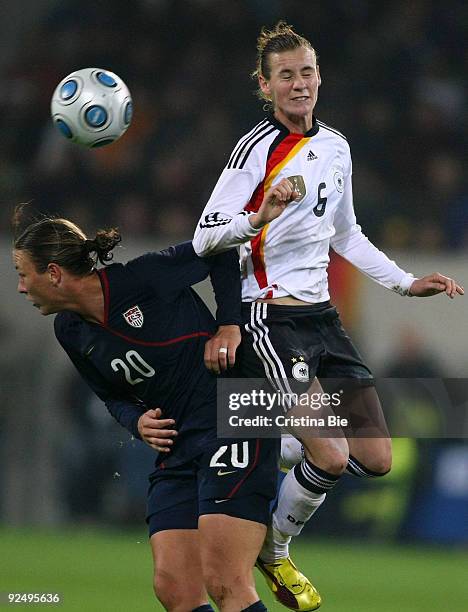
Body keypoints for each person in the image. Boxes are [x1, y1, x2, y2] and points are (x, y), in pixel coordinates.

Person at [193, 21, 464, 611]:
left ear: (320, 77)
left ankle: (259, 434)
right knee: (333, 454)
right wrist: (259, 215)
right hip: (272, 318)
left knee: (378, 458)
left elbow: (348, 233)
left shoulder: (336, 146)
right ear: (264, 86)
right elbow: (204, 237)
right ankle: (276, 550)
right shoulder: (253, 151)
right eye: (285, 75)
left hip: (323, 321)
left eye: (307, 72)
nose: (299, 84)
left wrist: (404, 283)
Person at [12, 205, 279, 612]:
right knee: (174, 588)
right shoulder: (69, 330)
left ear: (53, 274)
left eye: (22, 273)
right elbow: (111, 395)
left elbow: (221, 249)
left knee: (226, 580)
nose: (20, 287)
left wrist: (228, 324)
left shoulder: (143, 278)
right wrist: (136, 421)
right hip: (179, 443)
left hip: (233, 416)